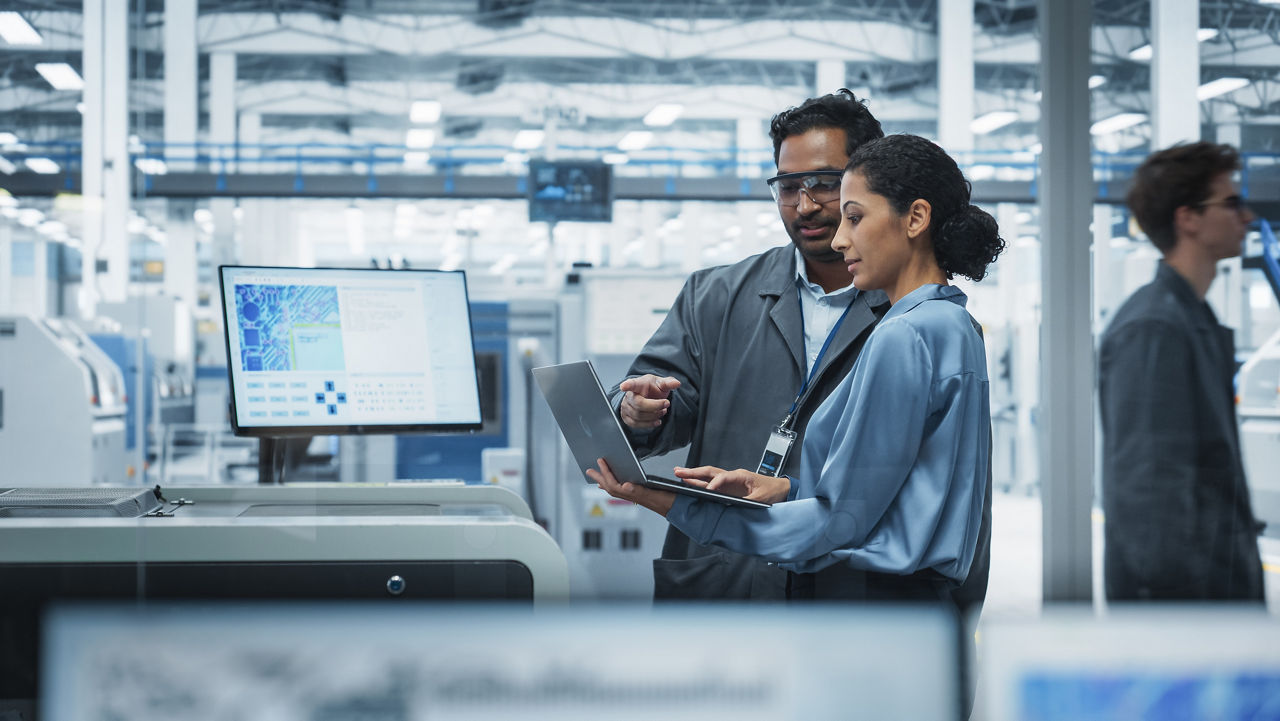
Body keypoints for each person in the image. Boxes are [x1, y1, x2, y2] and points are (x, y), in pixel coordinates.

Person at [592, 133, 1004, 608]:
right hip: (917, 604)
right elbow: (901, 493)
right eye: (788, 187)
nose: (840, 235)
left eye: (854, 216)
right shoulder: (954, 323)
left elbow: (833, 526)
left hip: (872, 607)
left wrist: (662, 499)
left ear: (915, 217)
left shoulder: (901, 334)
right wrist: (787, 488)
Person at [607, 90, 890, 601]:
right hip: (726, 581)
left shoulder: (909, 312)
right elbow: (639, 410)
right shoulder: (713, 296)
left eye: (825, 184)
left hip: (851, 592)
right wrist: (638, 410)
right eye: (787, 186)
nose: (804, 205)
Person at [1099, 141, 1265, 602]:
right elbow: (1151, 497)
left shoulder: (1191, 320)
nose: (1246, 217)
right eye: (1231, 203)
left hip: (1212, 598)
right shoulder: (1154, 329)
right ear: (1187, 217)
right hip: (1185, 613)